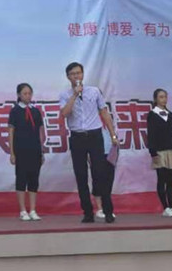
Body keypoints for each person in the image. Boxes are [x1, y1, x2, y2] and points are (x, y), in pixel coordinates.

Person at [58, 62, 119, 223]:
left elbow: (104, 113)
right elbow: (64, 113)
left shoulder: (94, 91)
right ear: (68, 77)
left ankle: (108, 211)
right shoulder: (65, 95)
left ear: (83, 74)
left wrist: (113, 135)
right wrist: (74, 95)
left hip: (94, 136)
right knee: (81, 175)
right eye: (73, 74)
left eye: (78, 73)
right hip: (77, 137)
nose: (76, 76)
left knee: (100, 173)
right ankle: (88, 212)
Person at [146, 88, 172, 217]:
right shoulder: (152, 115)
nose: (164, 99)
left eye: (165, 97)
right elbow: (151, 134)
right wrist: (153, 152)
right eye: (161, 97)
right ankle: (165, 207)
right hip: (160, 151)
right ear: (155, 99)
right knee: (161, 179)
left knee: (170, 180)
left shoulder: (171, 115)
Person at [8, 83, 44, 221]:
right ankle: (23, 210)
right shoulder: (15, 111)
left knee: (34, 180)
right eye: (25, 93)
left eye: (29, 93)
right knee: (21, 179)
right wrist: (12, 152)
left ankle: (33, 209)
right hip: (21, 150)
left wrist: (42, 151)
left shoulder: (36, 111)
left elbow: (40, 132)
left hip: (35, 150)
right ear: (19, 95)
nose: (28, 96)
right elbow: (11, 132)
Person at [91, 109, 117, 220]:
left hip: (110, 153)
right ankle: (100, 208)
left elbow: (114, 135)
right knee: (98, 180)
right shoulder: (91, 121)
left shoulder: (109, 121)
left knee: (108, 180)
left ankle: (107, 208)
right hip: (97, 153)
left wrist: (115, 140)